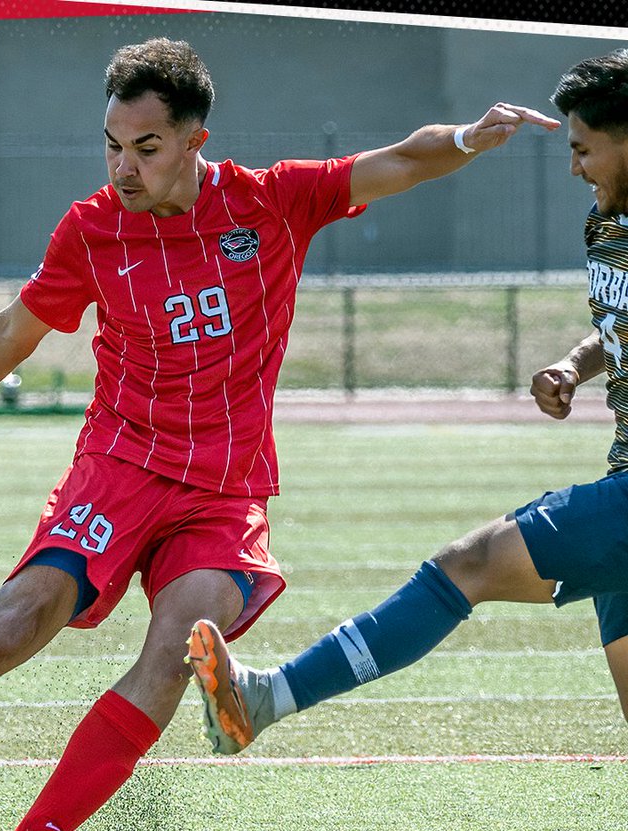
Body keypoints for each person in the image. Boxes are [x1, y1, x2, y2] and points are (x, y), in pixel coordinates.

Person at [0, 38, 557, 831]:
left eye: (146, 148)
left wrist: (468, 138)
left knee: (179, 651)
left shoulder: (271, 203)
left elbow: (400, 161)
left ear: (196, 139)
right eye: (113, 146)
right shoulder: (92, 229)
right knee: (11, 627)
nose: (124, 167)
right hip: (118, 465)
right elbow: (17, 328)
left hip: (223, 493)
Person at [187, 50, 628, 759]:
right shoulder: (607, 224)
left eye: (583, 149)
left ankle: (269, 697)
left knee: (469, 565)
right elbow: (617, 324)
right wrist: (574, 363)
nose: (573, 168)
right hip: (620, 471)